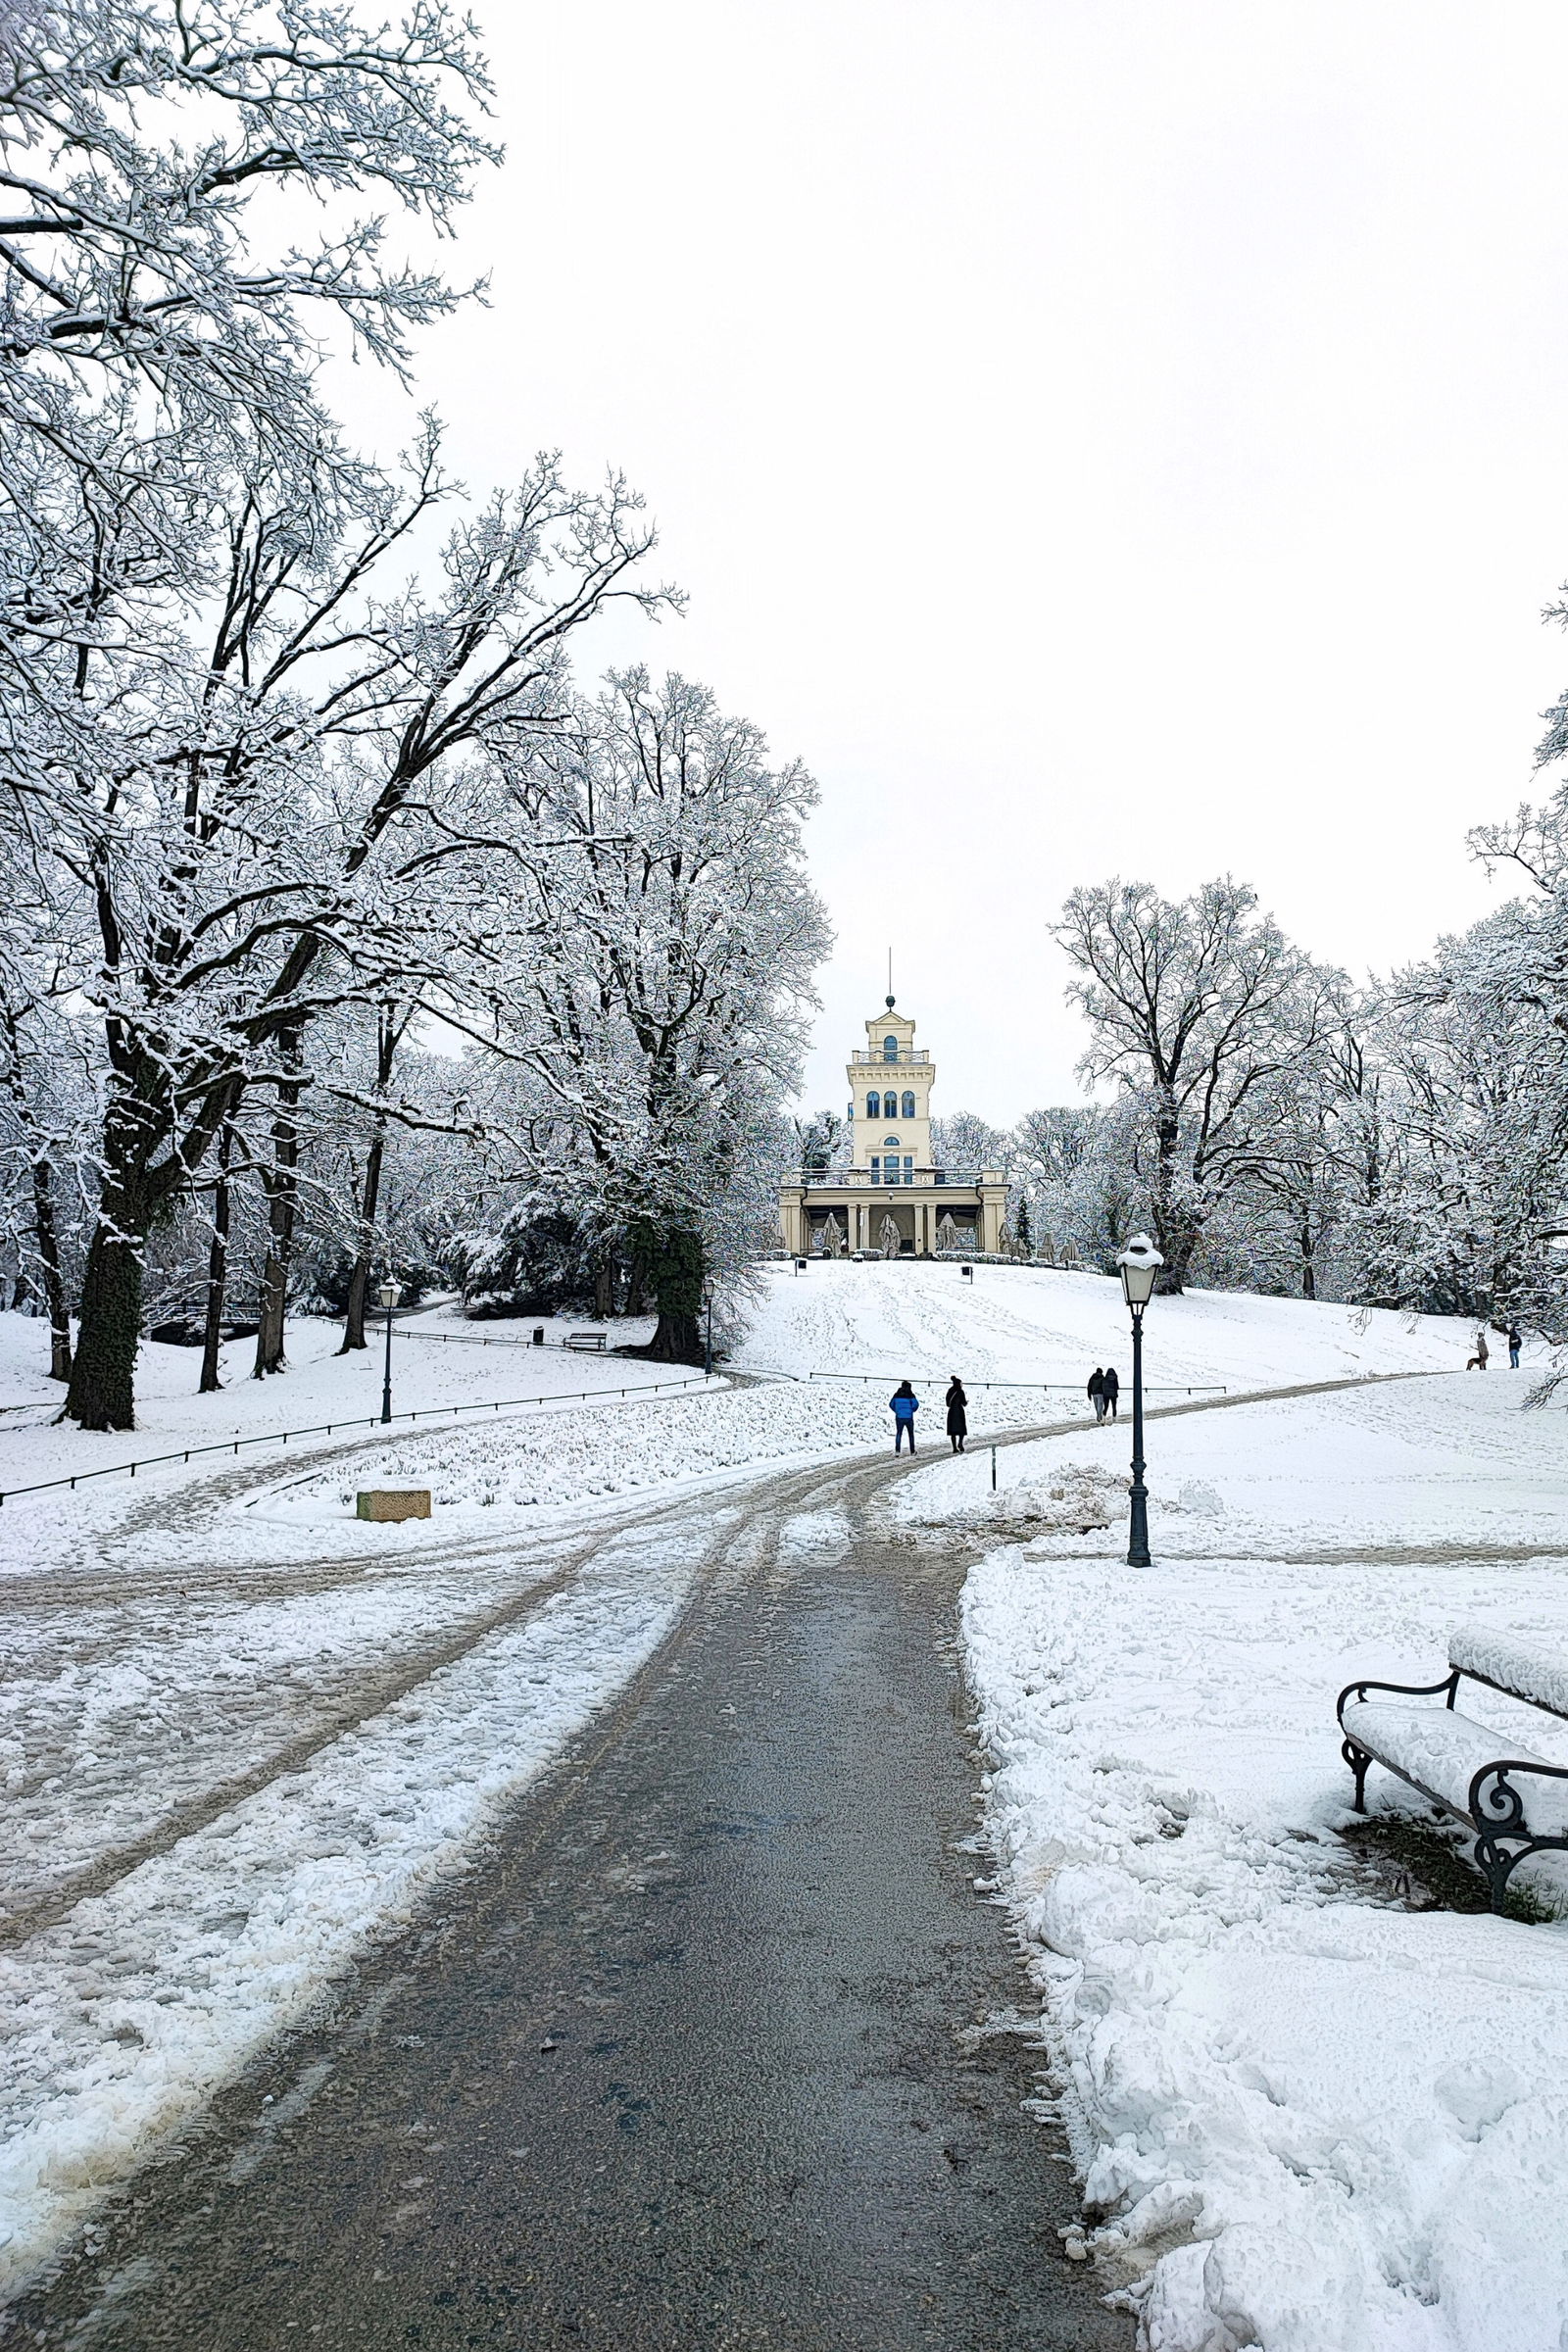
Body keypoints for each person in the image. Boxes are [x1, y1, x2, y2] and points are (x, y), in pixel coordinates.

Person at [890, 1381, 920, 1454]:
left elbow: (891, 1404)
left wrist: (897, 1411)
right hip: (909, 1417)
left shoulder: (896, 1394)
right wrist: (911, 1410)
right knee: (911, 1434)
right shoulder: (911, 1395)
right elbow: (916, 1404)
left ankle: (897, 1451)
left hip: (899, 1417)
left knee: (899, 1433)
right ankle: (912, 1451)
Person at [945, 1375, 968, 1453]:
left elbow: (947, 1403)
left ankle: (954, 1448)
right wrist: (966, 1402)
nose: (962, 1385)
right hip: (959, 1412)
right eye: (961, 1383)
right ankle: (960, 1444)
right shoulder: (961, 1392)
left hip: (951, 1412)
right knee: (962, 1430)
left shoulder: (950, 1391)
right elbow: (964, 1403)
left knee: (953, 1432)